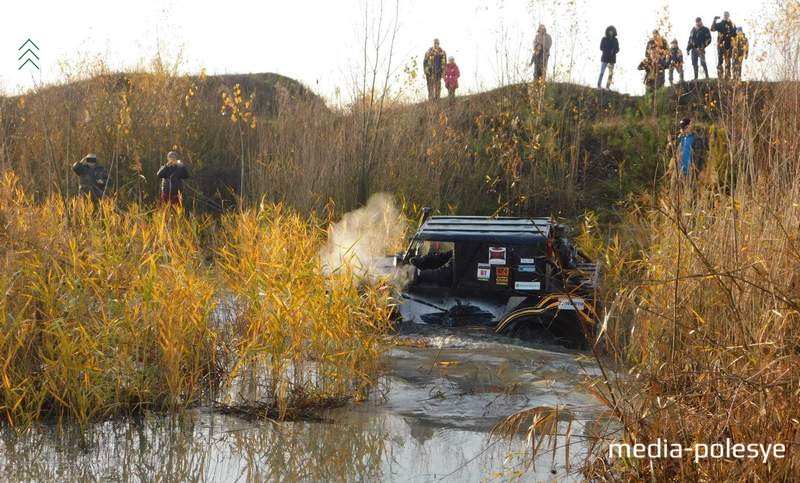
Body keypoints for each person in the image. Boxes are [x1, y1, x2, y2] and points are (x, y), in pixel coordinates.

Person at [711, 12, 736, 79]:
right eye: (725, 15)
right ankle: (720, 76)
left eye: (727, 15)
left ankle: (727, 76)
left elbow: (735, 34)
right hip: (720, 44)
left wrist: (730, 35)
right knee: (720, 60)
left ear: (729, 16)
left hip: (729, 45)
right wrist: (714, 20)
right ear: (723, 16)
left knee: (728, 60)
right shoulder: (720, 24)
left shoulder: (732, 24)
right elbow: (712, 29)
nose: (726, 16)